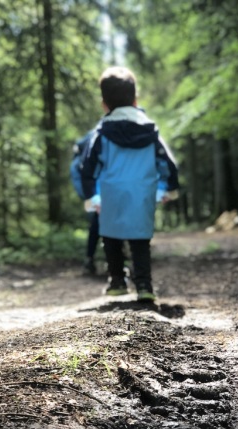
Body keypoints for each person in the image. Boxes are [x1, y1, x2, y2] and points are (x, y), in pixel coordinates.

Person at [80, 66, 179, 302]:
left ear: (104, 104)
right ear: (135, 99)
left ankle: (117, 281)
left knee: (110, 236)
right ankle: (144, 285)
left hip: (111, 193)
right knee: (140, 239)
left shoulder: (102, 133)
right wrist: (168, 189)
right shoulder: (150, 130)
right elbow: (168, 163)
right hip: (142, 193)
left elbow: (88, 167)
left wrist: (91, 197)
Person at [70, 132, 100, 276]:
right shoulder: (78, 163)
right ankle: (90, 259)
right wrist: (92, 199)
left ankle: (91, 259)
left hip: (95, 195)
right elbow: (80, 183)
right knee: (96, 224)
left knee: (97, 225)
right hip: (93, 196)